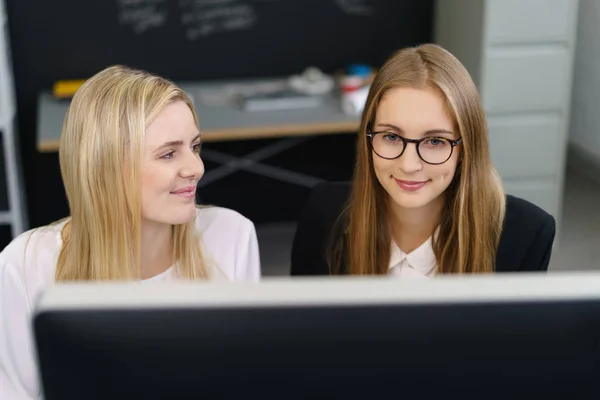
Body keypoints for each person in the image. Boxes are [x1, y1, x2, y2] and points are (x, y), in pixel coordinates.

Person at [0, 65, 261, 399]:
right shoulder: (25, 267)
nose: (196, 168)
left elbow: (246, 382)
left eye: (194, 146)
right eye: (169, 153)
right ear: (106, 166)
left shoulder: (231, 236)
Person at [291, 43, 555, 277]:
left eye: (435, 142)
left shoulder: (526, 234)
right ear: (368, 138)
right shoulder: (324, 213)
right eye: (391, 136)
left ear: (466, 147)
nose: (409, 165)